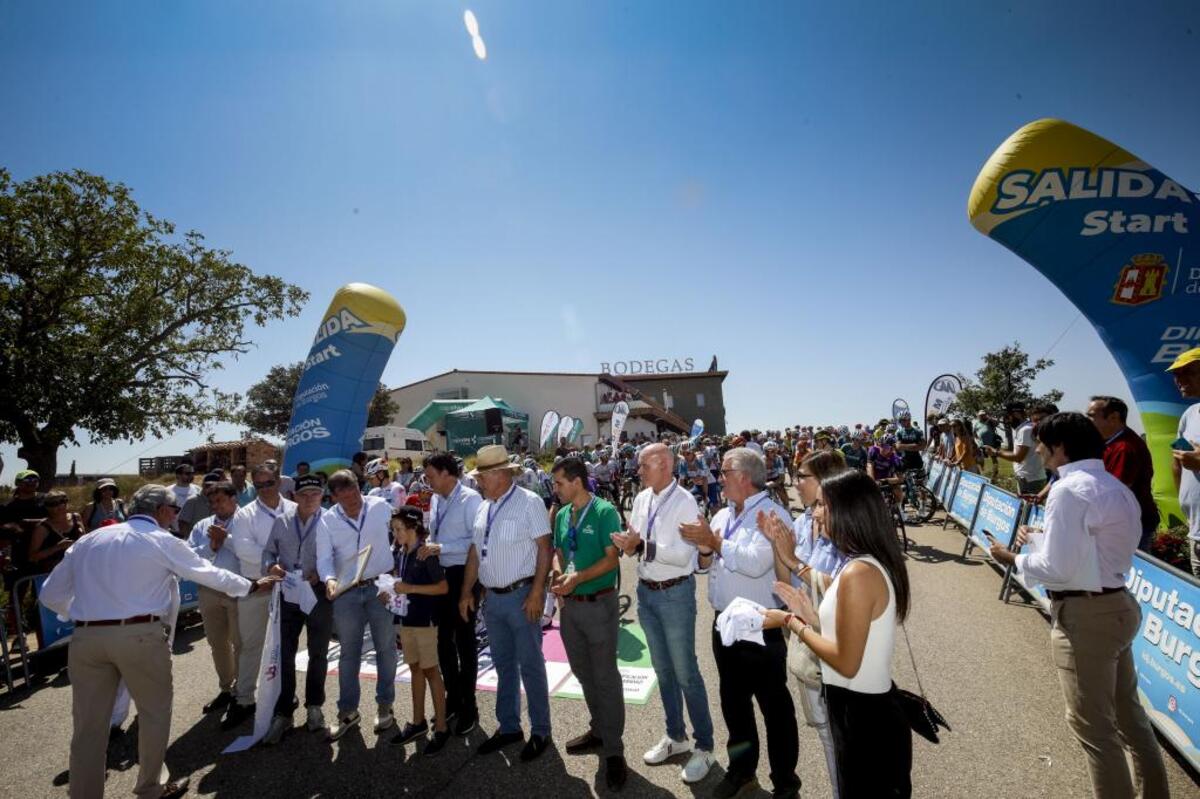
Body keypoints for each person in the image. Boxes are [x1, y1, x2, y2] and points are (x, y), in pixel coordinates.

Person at [40, 483, 278, 799]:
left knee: (88, 727)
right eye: (175, 510)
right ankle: (150, 788)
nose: (176, 516)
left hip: (87, 638)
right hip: (140, 636)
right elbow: (207, 573)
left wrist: (86, 616)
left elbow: (50, 595)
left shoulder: (89, 540)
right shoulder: (160, 540)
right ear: (162, 510)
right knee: (154, 713)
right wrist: (250, 586)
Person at [989, 413, 1168, 798]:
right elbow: (1095, 549)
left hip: (1087, 617)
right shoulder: (1113, 486)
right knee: (1130, 719)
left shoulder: (1068, 490)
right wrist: (1043, 535)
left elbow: (1057, 567)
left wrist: (1011, 557)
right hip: (1117, 604)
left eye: (1042, 444)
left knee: (1095, 730)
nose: (1037, 451)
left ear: (1060, 447)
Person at [762, 468, 913, 797]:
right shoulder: (861, 564)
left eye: (821, 505)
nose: (814, 513)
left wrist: (792, 623)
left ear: (846, 511)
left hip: (864, 719)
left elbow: (846, 662)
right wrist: (811, 613)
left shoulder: (859, 572)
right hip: (859, 710)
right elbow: (849, 624)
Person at [680, 447, 801, 799]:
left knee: (775, 709)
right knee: (734, 705)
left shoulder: (773, 515)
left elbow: (754, 564)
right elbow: (707, 565)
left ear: (743, 477)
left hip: (760, 627)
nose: (719, 476)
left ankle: (785, 784)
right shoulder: (721, 514)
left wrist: (713, 542)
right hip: (724, 624)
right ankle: (742, 772)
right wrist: (704, 549)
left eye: (724, 471)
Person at [610, 443, 716, 785]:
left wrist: (641, 546)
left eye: (644, 465)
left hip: (675, 593)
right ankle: (676, 736)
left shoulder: (685, 501)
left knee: (686, 673)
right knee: (663, 671)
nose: (638, 470)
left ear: (664, 465)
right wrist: (628, 542)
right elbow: (640, 539)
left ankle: (705, 746)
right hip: (647, 592)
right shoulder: (642, 499)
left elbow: (684, 555)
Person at [761, 450, 849, 798]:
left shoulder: (847, 525)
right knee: (826, 732)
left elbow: (846, 588)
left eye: (803, 476)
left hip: (840, 642)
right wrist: (777, 548)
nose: (795, 482)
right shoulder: (800, 524)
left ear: (826, 480)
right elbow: (787, 584)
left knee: (844, 734)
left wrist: (794, 559)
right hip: (806, 640)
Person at [459, 444, 554, 762]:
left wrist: (538, 592)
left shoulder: (529, 502)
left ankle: (541, 731)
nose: (478, 482)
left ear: (499, 474)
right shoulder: (484, 507)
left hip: (521, 596)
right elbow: (476, 552)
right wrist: (465, 592)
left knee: (530, 666)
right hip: (493, 600)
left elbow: (545, 548)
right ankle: (510, 726)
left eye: (482, 477)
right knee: (503, 667)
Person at [548, 457, 627, 790]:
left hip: (599, 605)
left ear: (577, 482)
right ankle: (599, 730)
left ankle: (614, 751)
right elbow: (557, 551)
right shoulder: (564, 514)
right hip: (571, 608)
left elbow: (612, 558)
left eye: (559, 483)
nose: (555, 489)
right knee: (583, 673)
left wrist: (577, 577)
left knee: (605, 676)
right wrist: (559, 573)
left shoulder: (605, 511)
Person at [318, 468, 400, 739]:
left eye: (353, 491)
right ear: (334, 497)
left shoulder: (380, 506)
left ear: (359, 485)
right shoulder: (327, 520)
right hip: (347, 593)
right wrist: (329, 579)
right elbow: (324, 558)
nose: (351, 499)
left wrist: (400, 569)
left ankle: (385, 706)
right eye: (343, 496)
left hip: (380, 588)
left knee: (386, 649)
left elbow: (402, 533)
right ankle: (347, 711)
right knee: (348, 653)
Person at [260, 474, 335, 743]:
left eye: (315, 494)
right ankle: (284, 711)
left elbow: (338, 557)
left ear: (322, 495)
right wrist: (271, 567)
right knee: (286, 654)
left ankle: (314, 707)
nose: (309, 499)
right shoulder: (281, 522)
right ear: (294, 496)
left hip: (317, 593)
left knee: (318, 653)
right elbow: (268, 552)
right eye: (304, 494)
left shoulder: (329, 520)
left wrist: (323, 574)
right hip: (289, 592)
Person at [223, 464, 297, 730]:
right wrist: (276, 566)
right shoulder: (245, 515)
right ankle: (244, 699)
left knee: (286, 647)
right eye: (259, 485)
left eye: (269, 483)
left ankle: (284, 695)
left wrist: (287, 567)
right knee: (251, 646)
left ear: (278, 481)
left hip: (288, 588)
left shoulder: (293, 509)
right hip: (257, 587)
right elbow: (244, 549)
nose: (265, 489)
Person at [422, 452, 484, 735]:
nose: (427, 481)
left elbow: (476, 543)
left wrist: (441, 548)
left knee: (465, 641)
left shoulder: (471, 499)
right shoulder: (435, 499)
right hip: (440, 577)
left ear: (448, 474)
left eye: (431, 475)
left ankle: (469, 706)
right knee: (442, 641)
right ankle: (454, 697)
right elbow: (435, 534)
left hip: (464, 576)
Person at [388, 505, 452, 756]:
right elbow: (400, 584)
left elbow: (442, 588)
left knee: (430, 670)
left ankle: (442, 726)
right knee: (415, 668)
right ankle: (417, 721)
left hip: (425, 622)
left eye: (400, 529)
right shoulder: (401, 552)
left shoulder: (426, 554)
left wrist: (410, 589)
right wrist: (390, 594)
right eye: (393, 529)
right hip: (406, 620)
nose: (396, 534)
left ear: (414, 527)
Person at [187, 481, 244, 716]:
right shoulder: (202, 525)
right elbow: (190, 555)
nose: (215, 506)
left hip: (238, 591)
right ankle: (226, 689)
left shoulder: (247, 521)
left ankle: (243, 691)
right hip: (209, 591)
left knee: (241, 643)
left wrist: (227, 539)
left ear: (234, 499)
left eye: (219, 500)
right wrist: (212, 546)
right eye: (211, 502)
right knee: (217, 643)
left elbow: (252, 553)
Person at [1086, 395, 1160, 552]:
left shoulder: (1125, 448)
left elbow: (1115, 492)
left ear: (1113, 418)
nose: (1087, 422)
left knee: (1127, 571)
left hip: (1131, 524)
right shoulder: (1108, 443)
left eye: (1091, 416)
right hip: (1118, 522)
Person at [1167, 347, 1200, 577]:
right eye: (1176, 374)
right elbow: (1177, 463)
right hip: (1196, 532)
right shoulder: (1189, 414)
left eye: (1187, 372)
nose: (1178, 380)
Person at [986, 402, 1046, 496]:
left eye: (1007, 416)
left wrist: (995, 452)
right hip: (1028, 478)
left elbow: (1018, 457)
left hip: (1030, 480)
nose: (1005, 420)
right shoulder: (1023, 429)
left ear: (1016, 414)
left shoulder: (1025, 430)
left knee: (1027, 509)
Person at [28, 491, 84, 572]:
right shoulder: (42, 528)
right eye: (54, 503)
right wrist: (57, 547)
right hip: (53, 572)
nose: (61, 505)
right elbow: (32, 557)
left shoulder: (76, 517)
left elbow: (84, 541)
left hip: (77, 567)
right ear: (47, 507)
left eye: (63, 501)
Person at [178, 471, 221, 538]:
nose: (210, 488)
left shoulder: (221, 501)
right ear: (203, 485)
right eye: (207, 485)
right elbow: (183, 523)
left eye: (213, 486)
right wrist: (188, 540)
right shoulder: (192, 501)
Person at [167, 463, 199, 536]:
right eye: (188, 473)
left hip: (196, 533)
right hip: (175, 533)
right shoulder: (168, 491)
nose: (191, 476)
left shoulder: (198, 489)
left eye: (193, 473)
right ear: (178, 475)